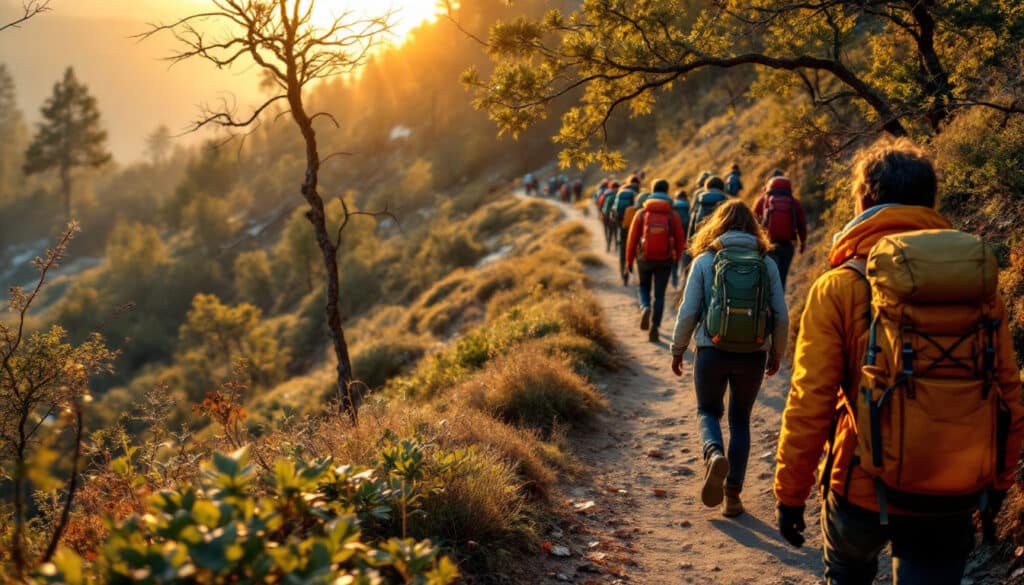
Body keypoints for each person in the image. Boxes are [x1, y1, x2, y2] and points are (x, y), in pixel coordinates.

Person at [773, 137, 1024, 585]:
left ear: (864, 201)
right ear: (930, 200)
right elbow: (1008, 392)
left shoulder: (840, 286)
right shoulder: (975, 286)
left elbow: (810, 401)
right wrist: (999, 482)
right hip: (954, 489)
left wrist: (790, 493)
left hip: (861, 486)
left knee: (847, 572)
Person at [671, 200, 789, 517]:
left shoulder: (705, 260)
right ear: (753, 227)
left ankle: (713, 455)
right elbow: (781, 316)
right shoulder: (767, 263)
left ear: (716, 225)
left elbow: (688, 312)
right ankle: (733, 497)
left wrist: (678, 348)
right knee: (740, 422)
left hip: (711, 351)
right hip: (753, 354)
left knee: (707, 410)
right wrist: (776, 353)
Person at [625, 179, 687, 342]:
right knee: (659, 295)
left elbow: (632, 240)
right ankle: (655, 327)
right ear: (667, 193)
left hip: (644, 258)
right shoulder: (672, 214)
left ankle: (645, 307)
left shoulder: (642, 213)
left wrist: (629, 261)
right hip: (664, 260)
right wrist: (676, 259)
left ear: (652, 191)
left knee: (643, 287)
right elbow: (680, 239)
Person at [753, 176, 807, 289]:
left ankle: (765, 302)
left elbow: (753, 222)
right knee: (781, 277)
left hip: (768, 245)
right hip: (787, 246)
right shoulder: (794, 203)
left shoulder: (763, 201)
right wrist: (803, 242)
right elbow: (801, 224)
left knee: (768, 276)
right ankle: (779, 301)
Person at [611, 176, 642, 285]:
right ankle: (637, 273)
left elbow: (614, 210)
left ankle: (624, 275)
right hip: (636, 227)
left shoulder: (621, 192)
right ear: (638, 184)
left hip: (623, 226)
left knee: (624, 251)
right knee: (637, 250)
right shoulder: (638, 194)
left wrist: (619, 223)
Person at [671, 187, 690, 288]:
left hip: (674, 236)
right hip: (685, 236)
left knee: (674, 257)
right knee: (684, 258)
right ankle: (684, 279)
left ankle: (674, 279)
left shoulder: (673, 206)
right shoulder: (688, 207)